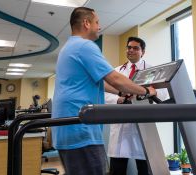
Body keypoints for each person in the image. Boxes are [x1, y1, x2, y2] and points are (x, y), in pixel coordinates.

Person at [51, 7, 157, 175]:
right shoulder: (85, 46)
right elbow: (115, 79)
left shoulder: (70, 46)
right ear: (86, 23)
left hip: (68, 128)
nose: (99, 26)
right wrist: (146, 91)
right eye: (97, 22)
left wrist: (121, 93)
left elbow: (101, 82)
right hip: (81, 130)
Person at [105, 37, 168, 175]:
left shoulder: (153, 70)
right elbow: (105, 94)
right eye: (129, 47)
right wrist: (119, 99)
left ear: (143, 52)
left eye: (135, 48)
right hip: (121, 124)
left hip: (143, 123)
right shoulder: (117, 71)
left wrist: (151, 92)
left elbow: (163, 93)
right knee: (117, 169)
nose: (131, 50)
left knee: (144, 168)